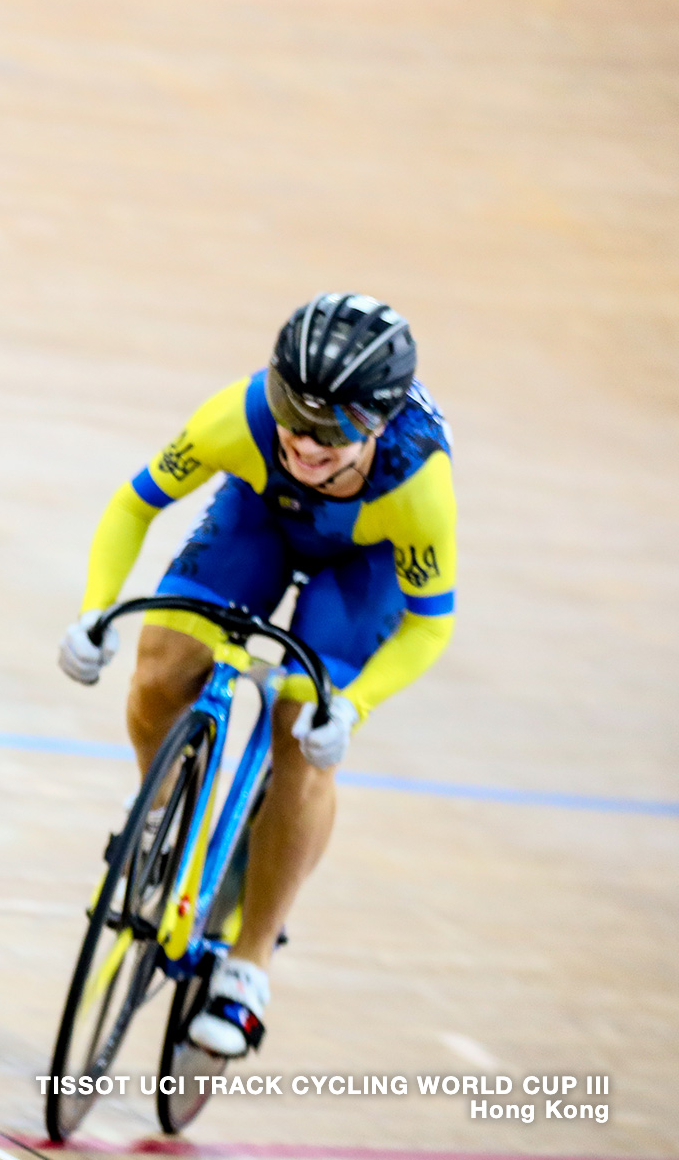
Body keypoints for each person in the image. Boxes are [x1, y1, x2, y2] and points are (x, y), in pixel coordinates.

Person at [56, 294, 455, 1056]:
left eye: (332, 432)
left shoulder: (417, 487)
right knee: (163, 661)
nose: (305, 442)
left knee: (302, 729)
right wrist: (93, 611)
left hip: (360, 563)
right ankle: (167, 816)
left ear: (374, 426)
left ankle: (250, 962)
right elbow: (133, 505)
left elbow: (431, 623)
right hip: (262, 519)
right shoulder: (237, 419)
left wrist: (356, 708)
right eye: (290, 413)